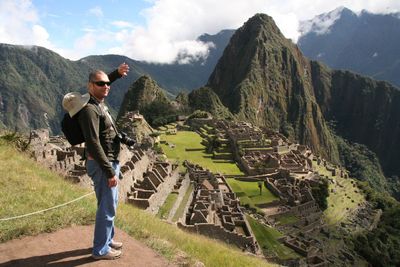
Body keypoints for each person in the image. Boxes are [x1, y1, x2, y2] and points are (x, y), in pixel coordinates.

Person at [77, 63, 129, 260]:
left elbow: (103, 82)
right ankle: (100, 249)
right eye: (101, 84)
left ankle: (107, 239)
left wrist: (115, 74)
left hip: (108, 162)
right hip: (102, 165)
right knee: (107, 207)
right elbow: (92, 143)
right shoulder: (90, 109)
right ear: (90, 86)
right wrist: (109, 172)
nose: (106, 86)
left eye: (108, 83)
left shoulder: (97, 101)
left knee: (109, 204)